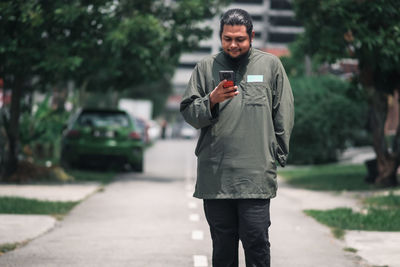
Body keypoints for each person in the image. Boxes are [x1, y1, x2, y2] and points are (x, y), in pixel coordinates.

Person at [180, 8, 294, 267]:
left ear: (251, 36)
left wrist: (276, 155)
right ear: (220, 37)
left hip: (255, 176)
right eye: (227, 38)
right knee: (222, 246)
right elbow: (189, 113)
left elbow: (284, 113)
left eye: (239, 39)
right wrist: (211, 100)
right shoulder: (205, 68)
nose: (233, 44)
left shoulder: (270, 65)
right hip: (216, 177)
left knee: (256, 243)